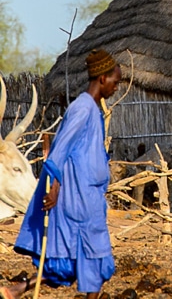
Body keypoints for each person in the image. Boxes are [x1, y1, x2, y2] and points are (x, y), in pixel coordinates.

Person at [0, 49, 122, 299]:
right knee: (97, 262)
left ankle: (18, 289)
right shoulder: (82, 109)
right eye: (115, 82)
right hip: (79, 199)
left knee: (73, 260)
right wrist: (53, 188)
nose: (116, 88)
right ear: (102, 79)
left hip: (89, 197)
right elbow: (59, 150)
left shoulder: (94, 110)